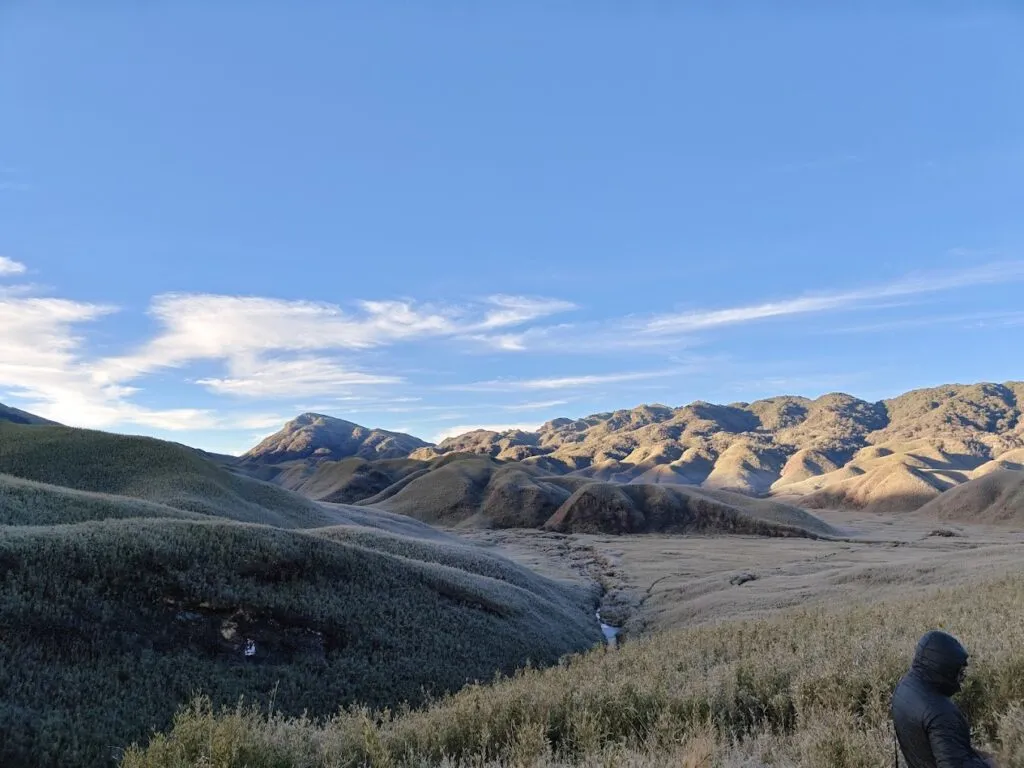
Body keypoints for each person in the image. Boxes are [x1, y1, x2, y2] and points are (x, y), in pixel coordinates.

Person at [891, 630, 997, 768]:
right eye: (958, 672)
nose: (962, 678)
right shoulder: (940, 713)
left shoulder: (905, 687)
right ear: (943, 668)